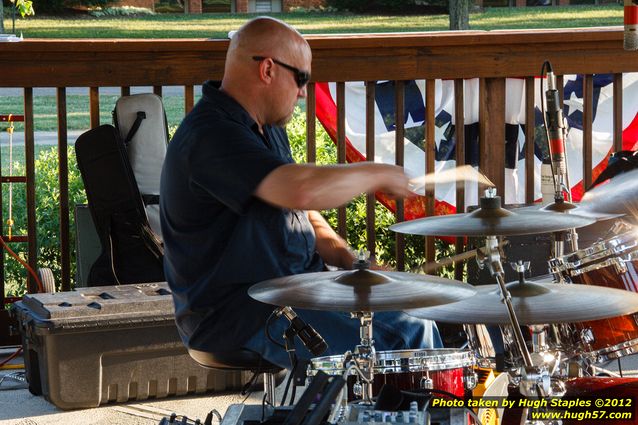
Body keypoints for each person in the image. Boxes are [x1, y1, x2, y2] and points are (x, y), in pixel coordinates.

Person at [160, 16, 441, 369]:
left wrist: (349, 259)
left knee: (419, 318)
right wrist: (374, 172)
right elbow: (300, 190)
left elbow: (299, 212)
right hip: (241, 313)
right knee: (403, 341)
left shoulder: (265, 125)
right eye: (302, 78)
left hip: (293, 292)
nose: (304, 91)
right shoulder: (212, 134)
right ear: (267, 69)